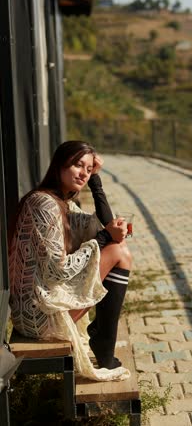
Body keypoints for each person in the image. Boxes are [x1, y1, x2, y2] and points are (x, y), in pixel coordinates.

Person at [9, 140, 132, 381]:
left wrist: (96, 181)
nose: (83, 173)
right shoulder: (43, 204)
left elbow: (103, 224)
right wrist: (106, 236)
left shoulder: (64, 203)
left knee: (119, 248)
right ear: (60, 165)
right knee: (119, 252)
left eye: (88, 169)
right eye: (78, 165)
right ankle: (104, 344)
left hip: (38, 309)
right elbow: (59, 272)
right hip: (37, 316)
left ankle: (103, 340)